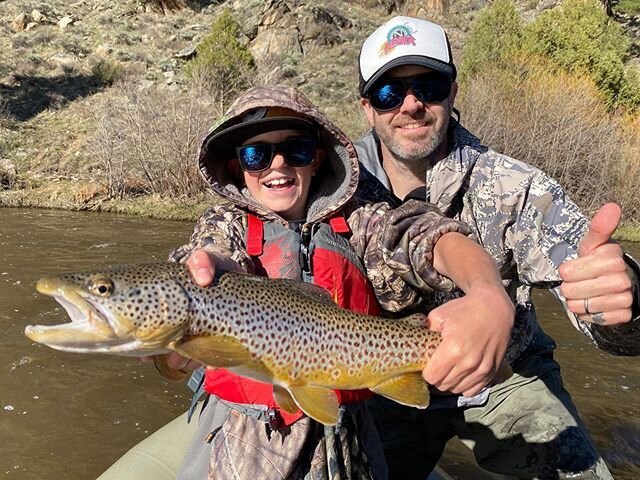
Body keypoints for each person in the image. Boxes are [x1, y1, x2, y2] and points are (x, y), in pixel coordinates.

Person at [165, 84, 515, 480]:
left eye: (295, 150)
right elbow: (208, 252)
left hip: (347, 441)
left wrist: (487, 292)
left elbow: (428, 236)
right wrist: (204, 274)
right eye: (255, 154)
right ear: (236, 167)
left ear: (315, 160)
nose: (276, 165)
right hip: (240, 435)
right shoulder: (223, 225)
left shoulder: (361, 222)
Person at [354, 15, 640, 480]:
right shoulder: (331, 194)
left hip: (507, 376)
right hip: (385, 382)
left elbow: (598, 298)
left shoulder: (515, 186)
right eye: (389, 93)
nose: (411, 104)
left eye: (428, 85)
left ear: (453, 91)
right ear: (367, 107)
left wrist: (626, 295)